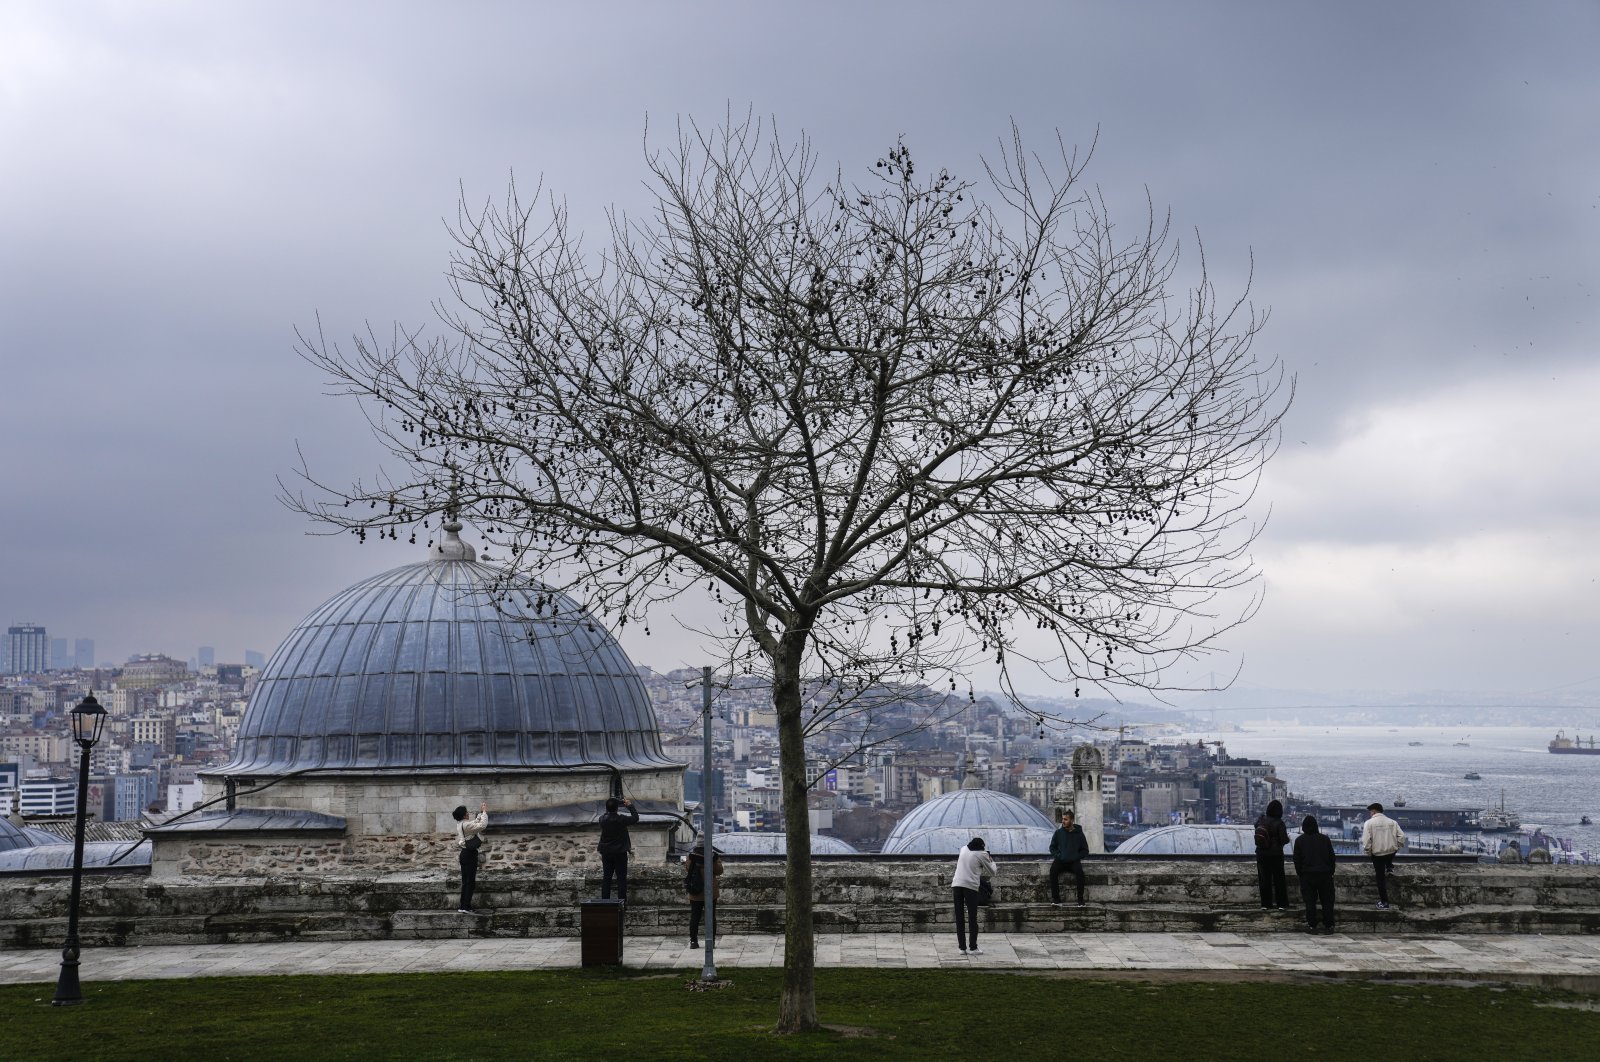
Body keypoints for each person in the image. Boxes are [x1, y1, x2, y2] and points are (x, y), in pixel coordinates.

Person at [951, 836, 997, 955]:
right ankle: (973, 947)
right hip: (970, 887)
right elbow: (993, 871)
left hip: (956, 884)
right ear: (981, 847)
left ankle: (962, 948)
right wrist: (989, 857)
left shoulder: (963, 849)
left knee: (959, 918)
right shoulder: (982, 854)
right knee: (972, 917)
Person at [1292, 814, 1337, 933]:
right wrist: (1331, 871)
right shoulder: (1325, 839)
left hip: (1307, 875)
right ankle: (1329, 926)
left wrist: (1300, 874)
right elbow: (1332, 857)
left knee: (1310, 902)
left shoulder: (1299, 840)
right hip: (1325, 874)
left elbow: (1297, 860)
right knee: (1327, 901)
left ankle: (1312, 926)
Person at [1360, 801, 1406, 909]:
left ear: (1374, 811)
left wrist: (1369, 852)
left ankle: (1384, 903)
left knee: (1380, 878)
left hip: (1378, 855)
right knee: (1389, 856)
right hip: (1390, 852)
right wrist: (1397, 847)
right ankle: (1389, 866)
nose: (1370, 814)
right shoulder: (1392, 822)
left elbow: (1366, 841)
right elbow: (1402, 837)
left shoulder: (1369, 823)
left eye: (1370, 812)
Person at [597, 796, 639, 902]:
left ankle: (605, 903)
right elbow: (635, 818)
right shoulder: (622, 819)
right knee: (621, 879)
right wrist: (630, 806)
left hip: (606, 852)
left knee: (607, 878)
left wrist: (612, 805)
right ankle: (622, 904)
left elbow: (606, 813)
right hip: (620, 852)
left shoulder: (602, 820)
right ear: (617, 808)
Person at [1253, 799, 1291, 910]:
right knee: (1279, 879)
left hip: (1261, 854)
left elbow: (1256, 827)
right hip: (1275, 855)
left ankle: (1265, 904)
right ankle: (1281, 904)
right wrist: (1287, 839)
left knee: (1264, 879)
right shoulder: (1279, 823)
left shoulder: (1261, 820)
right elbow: (1284, 839)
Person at [685, 841, 724, 949]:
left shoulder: (691, 856)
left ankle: (693, 941)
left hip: (695, 891)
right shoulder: (713, 856)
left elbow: (688, 869)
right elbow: (719, 871)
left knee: (695, 917)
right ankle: (711, 942)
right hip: (710, 891)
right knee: (711, 917)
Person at [452, 802, 488, 914]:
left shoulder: (461, 824)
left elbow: (474, 823)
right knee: (470, 882)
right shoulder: (466, 825)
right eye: (466, 812)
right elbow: (482, 825)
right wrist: (485, 812)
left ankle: (464, 906)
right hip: (469, 855)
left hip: (465, 854)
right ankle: (465, 907)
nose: (468, 813)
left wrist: (480, 814)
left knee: (466, 882)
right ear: (464, 815)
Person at [1048, 809, 1090, 906]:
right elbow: (1052, 847)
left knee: (1080, 874)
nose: (1063, 821)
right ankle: (1056, 900)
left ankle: (1080, 900)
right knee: (1052, 871)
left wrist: (1076, 856)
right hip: (1061, 860)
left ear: (1072, 820)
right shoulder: (1058, 833)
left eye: (1066, 819)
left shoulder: (1079, 834)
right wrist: (1059, 856)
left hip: (1073, 862)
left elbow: (1085, 850)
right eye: (1063, 819)